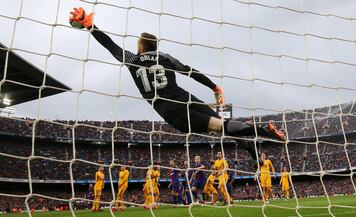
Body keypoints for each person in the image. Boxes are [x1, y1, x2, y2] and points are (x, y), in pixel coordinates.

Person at [68, 7, 286, 160]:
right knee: (223, 122)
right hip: (186, 97)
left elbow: (110, 46)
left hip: (172, 112)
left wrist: (91, 26)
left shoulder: (133, 60)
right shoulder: (165, 58)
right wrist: (214, 87)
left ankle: (262, 132)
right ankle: (249, 145)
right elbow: (191, 72)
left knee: (219, 126)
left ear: (142, 47)